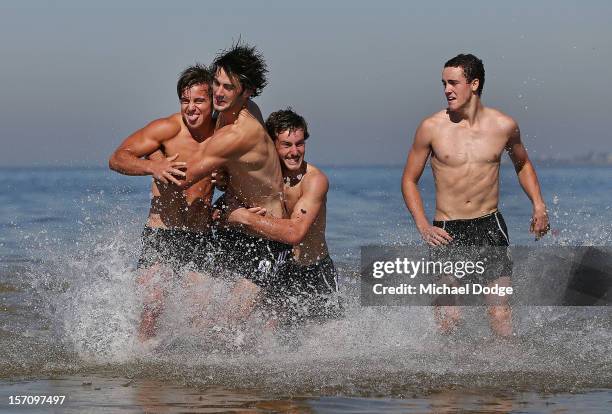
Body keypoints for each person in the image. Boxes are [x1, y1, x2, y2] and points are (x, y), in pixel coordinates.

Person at [401, 53, 549, 337]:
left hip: (489, 227)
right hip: (447, 230)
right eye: (444, 83)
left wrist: (538, 206)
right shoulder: (431, 128)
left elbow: (523, 164)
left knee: (500, 314)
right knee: (449, 317)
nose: (447, 90)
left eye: (453, 83)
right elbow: (409, 179)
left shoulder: (504, 126)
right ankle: (448, 380)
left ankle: (506, 376)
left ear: (474, 84)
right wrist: (422, 225)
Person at [178, 42, 291, 325]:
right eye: (216, 83)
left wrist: (154, 161)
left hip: (267, 235)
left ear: (247, 91)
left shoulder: (240, 132)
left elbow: (186, 175)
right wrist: (226, 181)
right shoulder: (240, 109)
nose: (218, 92)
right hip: (235, 224)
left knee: (228, 324)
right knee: (199, 318)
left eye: (228, 87)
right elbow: (242, 168)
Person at [109, 64, 216, 341]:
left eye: (198, 100)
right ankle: (143, 369)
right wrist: (152, 168)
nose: (191, 108)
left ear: (213, 101)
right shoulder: (167, 129)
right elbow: (118, 158)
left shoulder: (224, 136)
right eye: (185, 101)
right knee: (152, 307)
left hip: (199, 235)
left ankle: (192, 377)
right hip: (162, 232)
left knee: (201, 314)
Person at [226, 108, 341, 323]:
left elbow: (295, 232)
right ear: (272, 145)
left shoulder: (314, 181)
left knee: (332, 343)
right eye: (286, 145)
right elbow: (224, 211)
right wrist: (234, 213)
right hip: (281, 266)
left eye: (300, 144)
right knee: (269, 337)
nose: (295, 152)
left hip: (314, 271)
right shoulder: (262, 177)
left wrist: (248, 218)